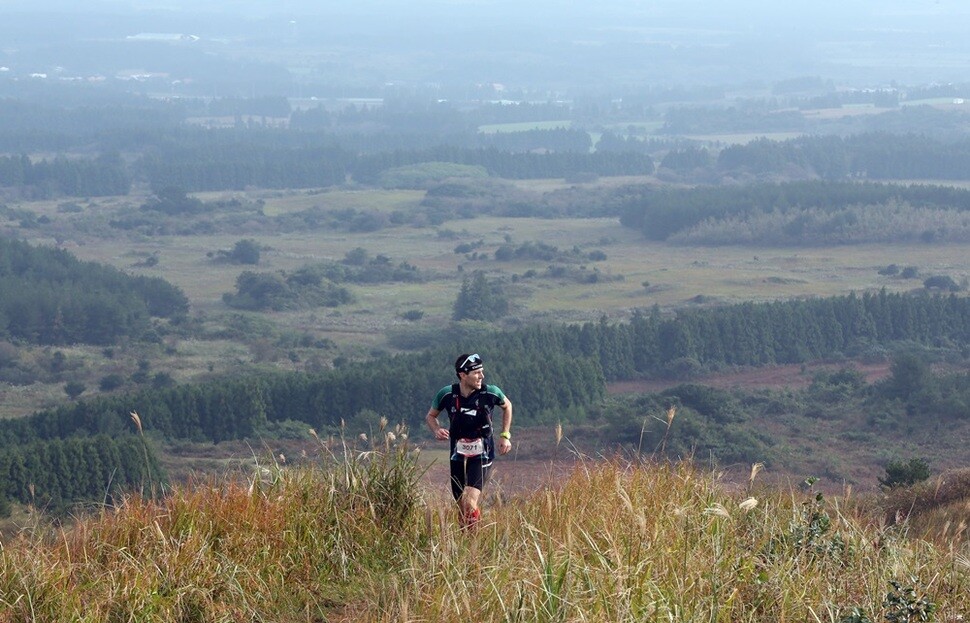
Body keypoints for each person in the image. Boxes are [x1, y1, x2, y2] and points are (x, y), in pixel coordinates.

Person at [425, 353, 512, 528]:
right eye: (477, 373)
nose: (482, 376)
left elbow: (507, 406)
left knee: (469, 499)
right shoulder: (447, 394)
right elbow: (431, 416)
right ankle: (465, 537)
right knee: (460, 504)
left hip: (482, 453)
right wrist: (436, 430)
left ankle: (474, 542)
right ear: (463, 375)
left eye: (482, 371)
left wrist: (505, 435)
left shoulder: (490, 392)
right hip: (457, 454)